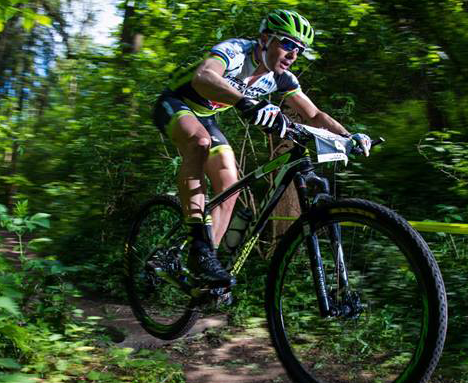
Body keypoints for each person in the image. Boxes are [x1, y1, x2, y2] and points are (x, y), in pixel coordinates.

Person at [152, 9, 372, 291]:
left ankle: (206, 263)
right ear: (265, 39)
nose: (293, 54)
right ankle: (197, 241)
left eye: (300, 49)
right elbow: (203, 78)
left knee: (230, 185)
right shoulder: (235, 51)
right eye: (288, 44)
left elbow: (314, 115)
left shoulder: (282, 79)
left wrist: (348, 136)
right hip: (176, 103)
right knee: (200, 143)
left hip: (206, 116)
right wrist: (248, 102)